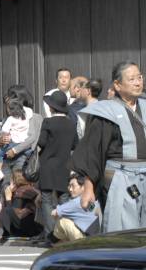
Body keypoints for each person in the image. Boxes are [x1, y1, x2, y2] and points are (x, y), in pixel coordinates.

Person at [72, 61, 146, 232]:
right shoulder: (105, 111)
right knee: (122, 230)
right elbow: (93, 152)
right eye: (132, 79)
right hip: (121, 177)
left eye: (140, 77)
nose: (138, 82)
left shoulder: (144, 106)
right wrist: (88, 188)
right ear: (117, 85)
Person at [37, 90, 78, 228]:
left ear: (51, 107)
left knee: (46, 200)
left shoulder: (48, 122)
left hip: (47, 165)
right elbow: (75, 145)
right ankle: (65, 231)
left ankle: (51, 233)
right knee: (64, 198)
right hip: (64, 165)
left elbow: (41, 142)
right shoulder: (71, 124)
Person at [52, 175, 101, 243]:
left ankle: (58, 242)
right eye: (69, 186)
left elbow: (54, 213)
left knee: (63, 221)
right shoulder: (93, 198)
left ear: (83, 187)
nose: (70, 189)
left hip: (87, 241)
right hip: (98, 238)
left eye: (73, 186)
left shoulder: (77, 201)